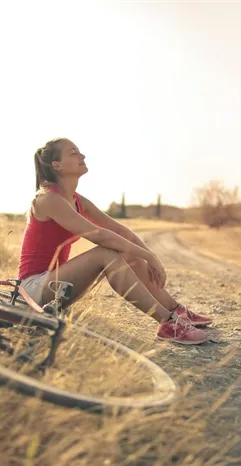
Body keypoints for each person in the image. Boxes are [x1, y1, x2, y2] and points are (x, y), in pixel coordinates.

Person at [17, 137, 212, 345]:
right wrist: (148, 256)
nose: (82, 156)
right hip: (32, 290)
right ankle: (167, 322)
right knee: (105, 253)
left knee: (127, 251)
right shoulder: (47, 199)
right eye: (73, 153)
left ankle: (176, 311)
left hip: (57, 288)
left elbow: (118, 229)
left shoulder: (77, 200)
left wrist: (148, 255)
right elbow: (99, 235)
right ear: (56, 165)